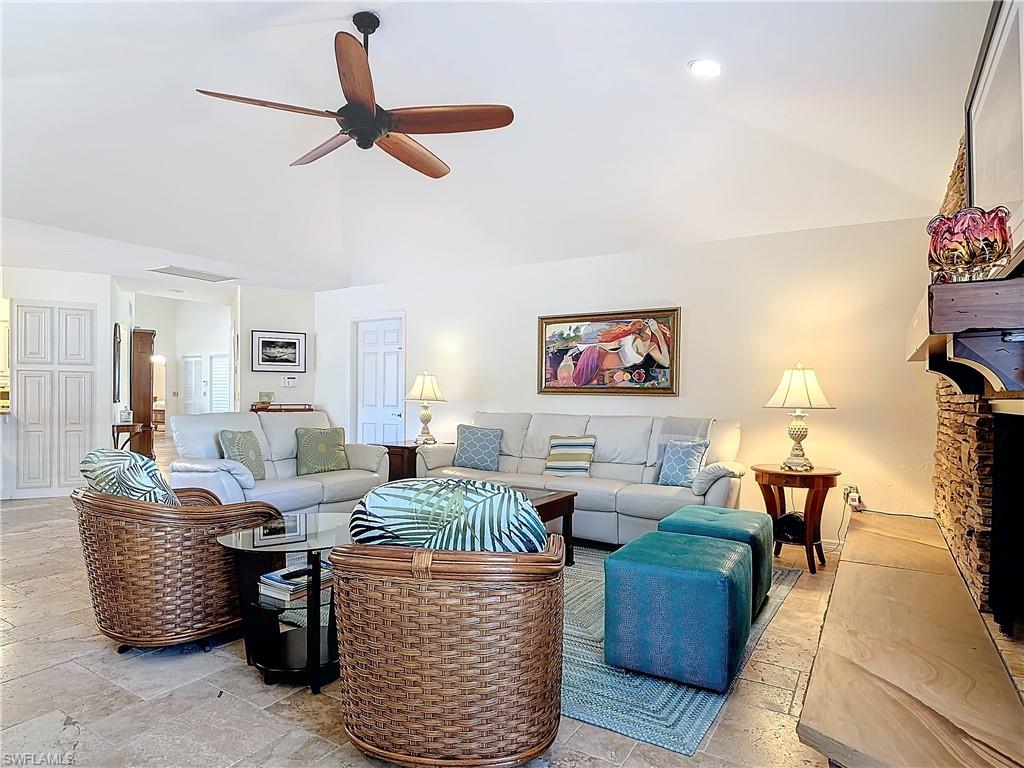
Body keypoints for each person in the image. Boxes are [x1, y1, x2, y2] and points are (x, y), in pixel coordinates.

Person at [572, 318, 671, 386]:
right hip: (630, 355)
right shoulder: (599, 364)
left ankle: (656, 333)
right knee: (662, 358)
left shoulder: (597, 357)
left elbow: (615, 343)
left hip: (630, 351)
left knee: (664, 360)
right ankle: (656, 333)